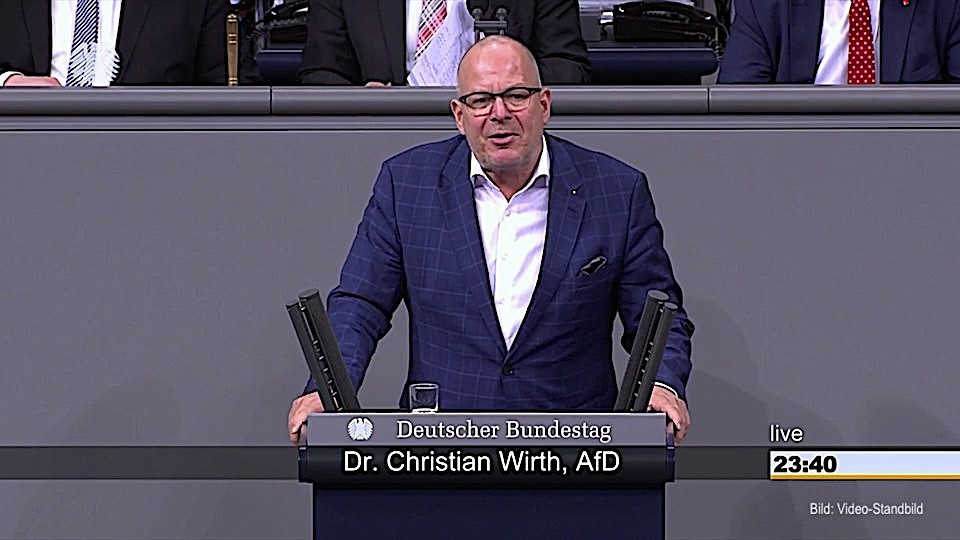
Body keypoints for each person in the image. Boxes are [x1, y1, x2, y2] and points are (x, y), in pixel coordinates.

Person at [288, 35, 693, 444]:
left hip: (576, 446)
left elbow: (659, 315)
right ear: (459, 115)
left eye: (516, 96)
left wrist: (663, 386)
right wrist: (327, 391)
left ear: (544, 105)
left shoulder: (616, 190)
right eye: (481, 100)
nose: (499, 114)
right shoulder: (406, 184)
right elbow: (361, 304)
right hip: (441, 444)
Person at [297, 0, 590, 87]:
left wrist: (509, 87)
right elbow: (321, 73)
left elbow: (568, 67)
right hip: (383, 139)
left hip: (502, 140)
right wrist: (363, 100)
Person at [0, 0, 260, 87]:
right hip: (20, 165)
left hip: (153, 172)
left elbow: (240, 98)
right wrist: (6, 82)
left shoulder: (193, 5)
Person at [718, 0, 960, 84]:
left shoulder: (946, 7)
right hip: (798, 159)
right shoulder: (765, 7)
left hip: (907, 160)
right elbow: (737, 113)